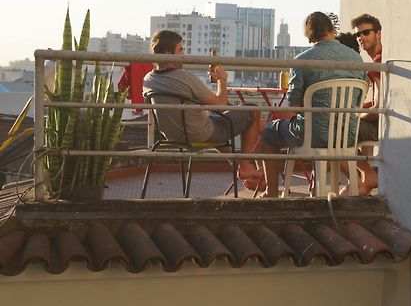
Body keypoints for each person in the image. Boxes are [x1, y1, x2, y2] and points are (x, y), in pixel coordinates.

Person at [260, 12, 366, 197]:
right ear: (332, 30)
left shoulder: (302, 60)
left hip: (313, 136)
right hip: (347, 134)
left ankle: (271, 193)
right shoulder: (357, 60)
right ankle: (319, 189)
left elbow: (294, 104)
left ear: (310, 36)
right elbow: (357, 100)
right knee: (319, 128)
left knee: (270, 132)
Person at [142, 30, 263, 183]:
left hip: (173, 136)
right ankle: (245, 166)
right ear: (168, 53)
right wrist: (222, 80)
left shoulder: (148, 79)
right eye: (180, 50)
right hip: (198, 135)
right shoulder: (185, 77)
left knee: (214, 120)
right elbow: (220, 104)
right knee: (252, 111)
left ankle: (237, 165)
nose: (183, 54)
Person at [347, 13, 383, 194]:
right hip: (385, 124)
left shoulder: (378, 63)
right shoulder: (379, 60)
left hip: (383, 127)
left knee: (336, 133)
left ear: (379, 34)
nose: (361, 37)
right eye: (357, 35)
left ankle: (367, 176)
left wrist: (355, 115)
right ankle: (361, 180)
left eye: (366, 32)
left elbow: (378, 110)